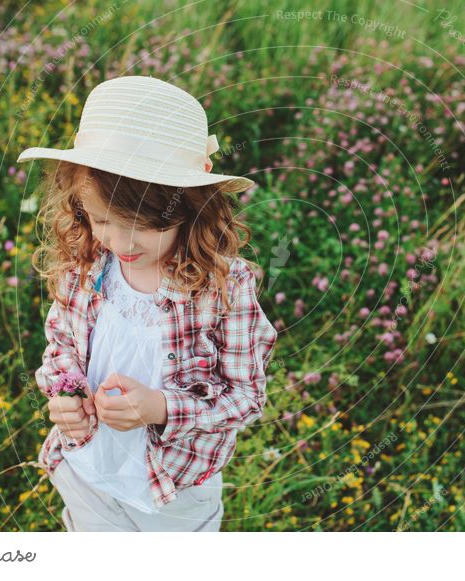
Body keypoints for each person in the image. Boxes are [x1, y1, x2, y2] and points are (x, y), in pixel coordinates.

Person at [16, 75, 278, 531]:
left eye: (140, 223)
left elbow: (246, 397)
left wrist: (160, 408)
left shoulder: (224, 286)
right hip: (87, 467)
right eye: (100, 220)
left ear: (187, 209)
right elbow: (61, 344)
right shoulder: (87, 265)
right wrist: (63, 395)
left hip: (175, 485)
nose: (119, 241)